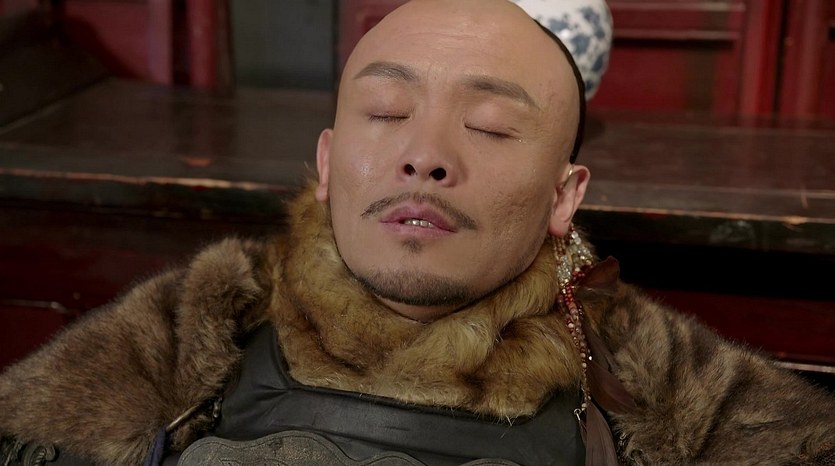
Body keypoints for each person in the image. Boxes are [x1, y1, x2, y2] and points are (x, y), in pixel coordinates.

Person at [1, 0, 834, 465]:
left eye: (491, 126)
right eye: (386, 111)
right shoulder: (199, 322)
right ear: (327, 164)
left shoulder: (650, 373)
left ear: (562, 196)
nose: (425, 156)